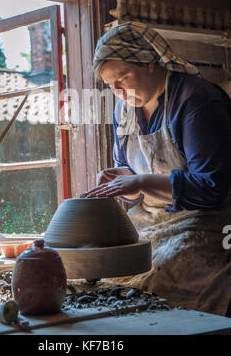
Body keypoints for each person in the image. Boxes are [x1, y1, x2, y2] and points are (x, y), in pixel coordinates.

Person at [85, 21, 231, 316]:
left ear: (151, 63)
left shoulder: (196, 101)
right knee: (103, 270)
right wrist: (120, 180)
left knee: (163, 273)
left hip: (203, 221)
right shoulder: (124, 109)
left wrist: (140, 183)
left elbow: (212, 189)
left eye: (123, 79)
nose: (117, 91)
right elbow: (130, 170)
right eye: (109, 85)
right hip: (149, 221)